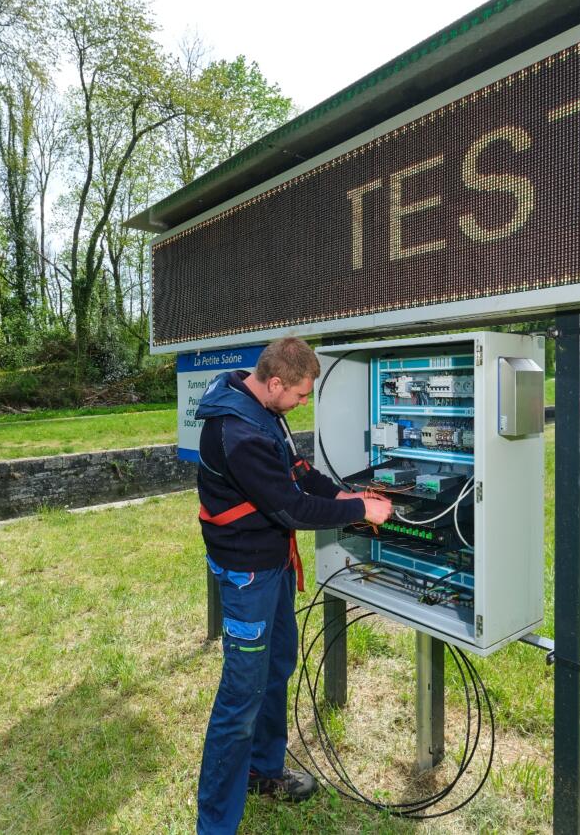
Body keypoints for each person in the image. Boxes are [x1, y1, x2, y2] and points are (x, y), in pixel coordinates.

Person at [194, 336, 392, 834]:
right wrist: (359, 510)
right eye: (301, 396)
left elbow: (298, 471)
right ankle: (214, 824)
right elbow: (291, 507)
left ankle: (264, 770)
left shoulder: (261, 407)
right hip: (248, 576)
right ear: (276, 382)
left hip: (274, 565)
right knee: (240, 697)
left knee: (277, 664)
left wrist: (346, 493)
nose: (303, 404)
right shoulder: (238, 434)